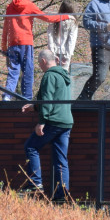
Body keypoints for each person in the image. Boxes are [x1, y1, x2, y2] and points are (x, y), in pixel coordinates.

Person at [2, 0, 71, 100]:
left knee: (13, 71)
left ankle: (7, 96)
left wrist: (4, 46)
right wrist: (66, 16)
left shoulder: (10, 7)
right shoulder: (30, 5)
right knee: (28, 71)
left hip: (12, 43)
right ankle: (27, 98)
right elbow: (48, 18)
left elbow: (5, 28)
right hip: (26, 42)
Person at [20, 49, 73, 199]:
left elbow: (48, 99)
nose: (40, 67)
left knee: (30, 146)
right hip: (66, 122)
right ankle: (62, 196)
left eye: (39, 63)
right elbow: (54, 99)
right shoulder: (64, 76)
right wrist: (34, 107)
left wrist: (42, 122)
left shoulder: (49, 75)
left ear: (43, 61)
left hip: (53, 121)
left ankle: (35, 184)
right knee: (61, 160)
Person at [47, 0, 78, 72]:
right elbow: (72, 40)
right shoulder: (73, 22)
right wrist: (67, 56)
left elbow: (50, 37)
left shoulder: (54, 20)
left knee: (54, 74)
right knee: (63, 75)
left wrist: (52, 53)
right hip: (65, 52)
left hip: (54, 51)